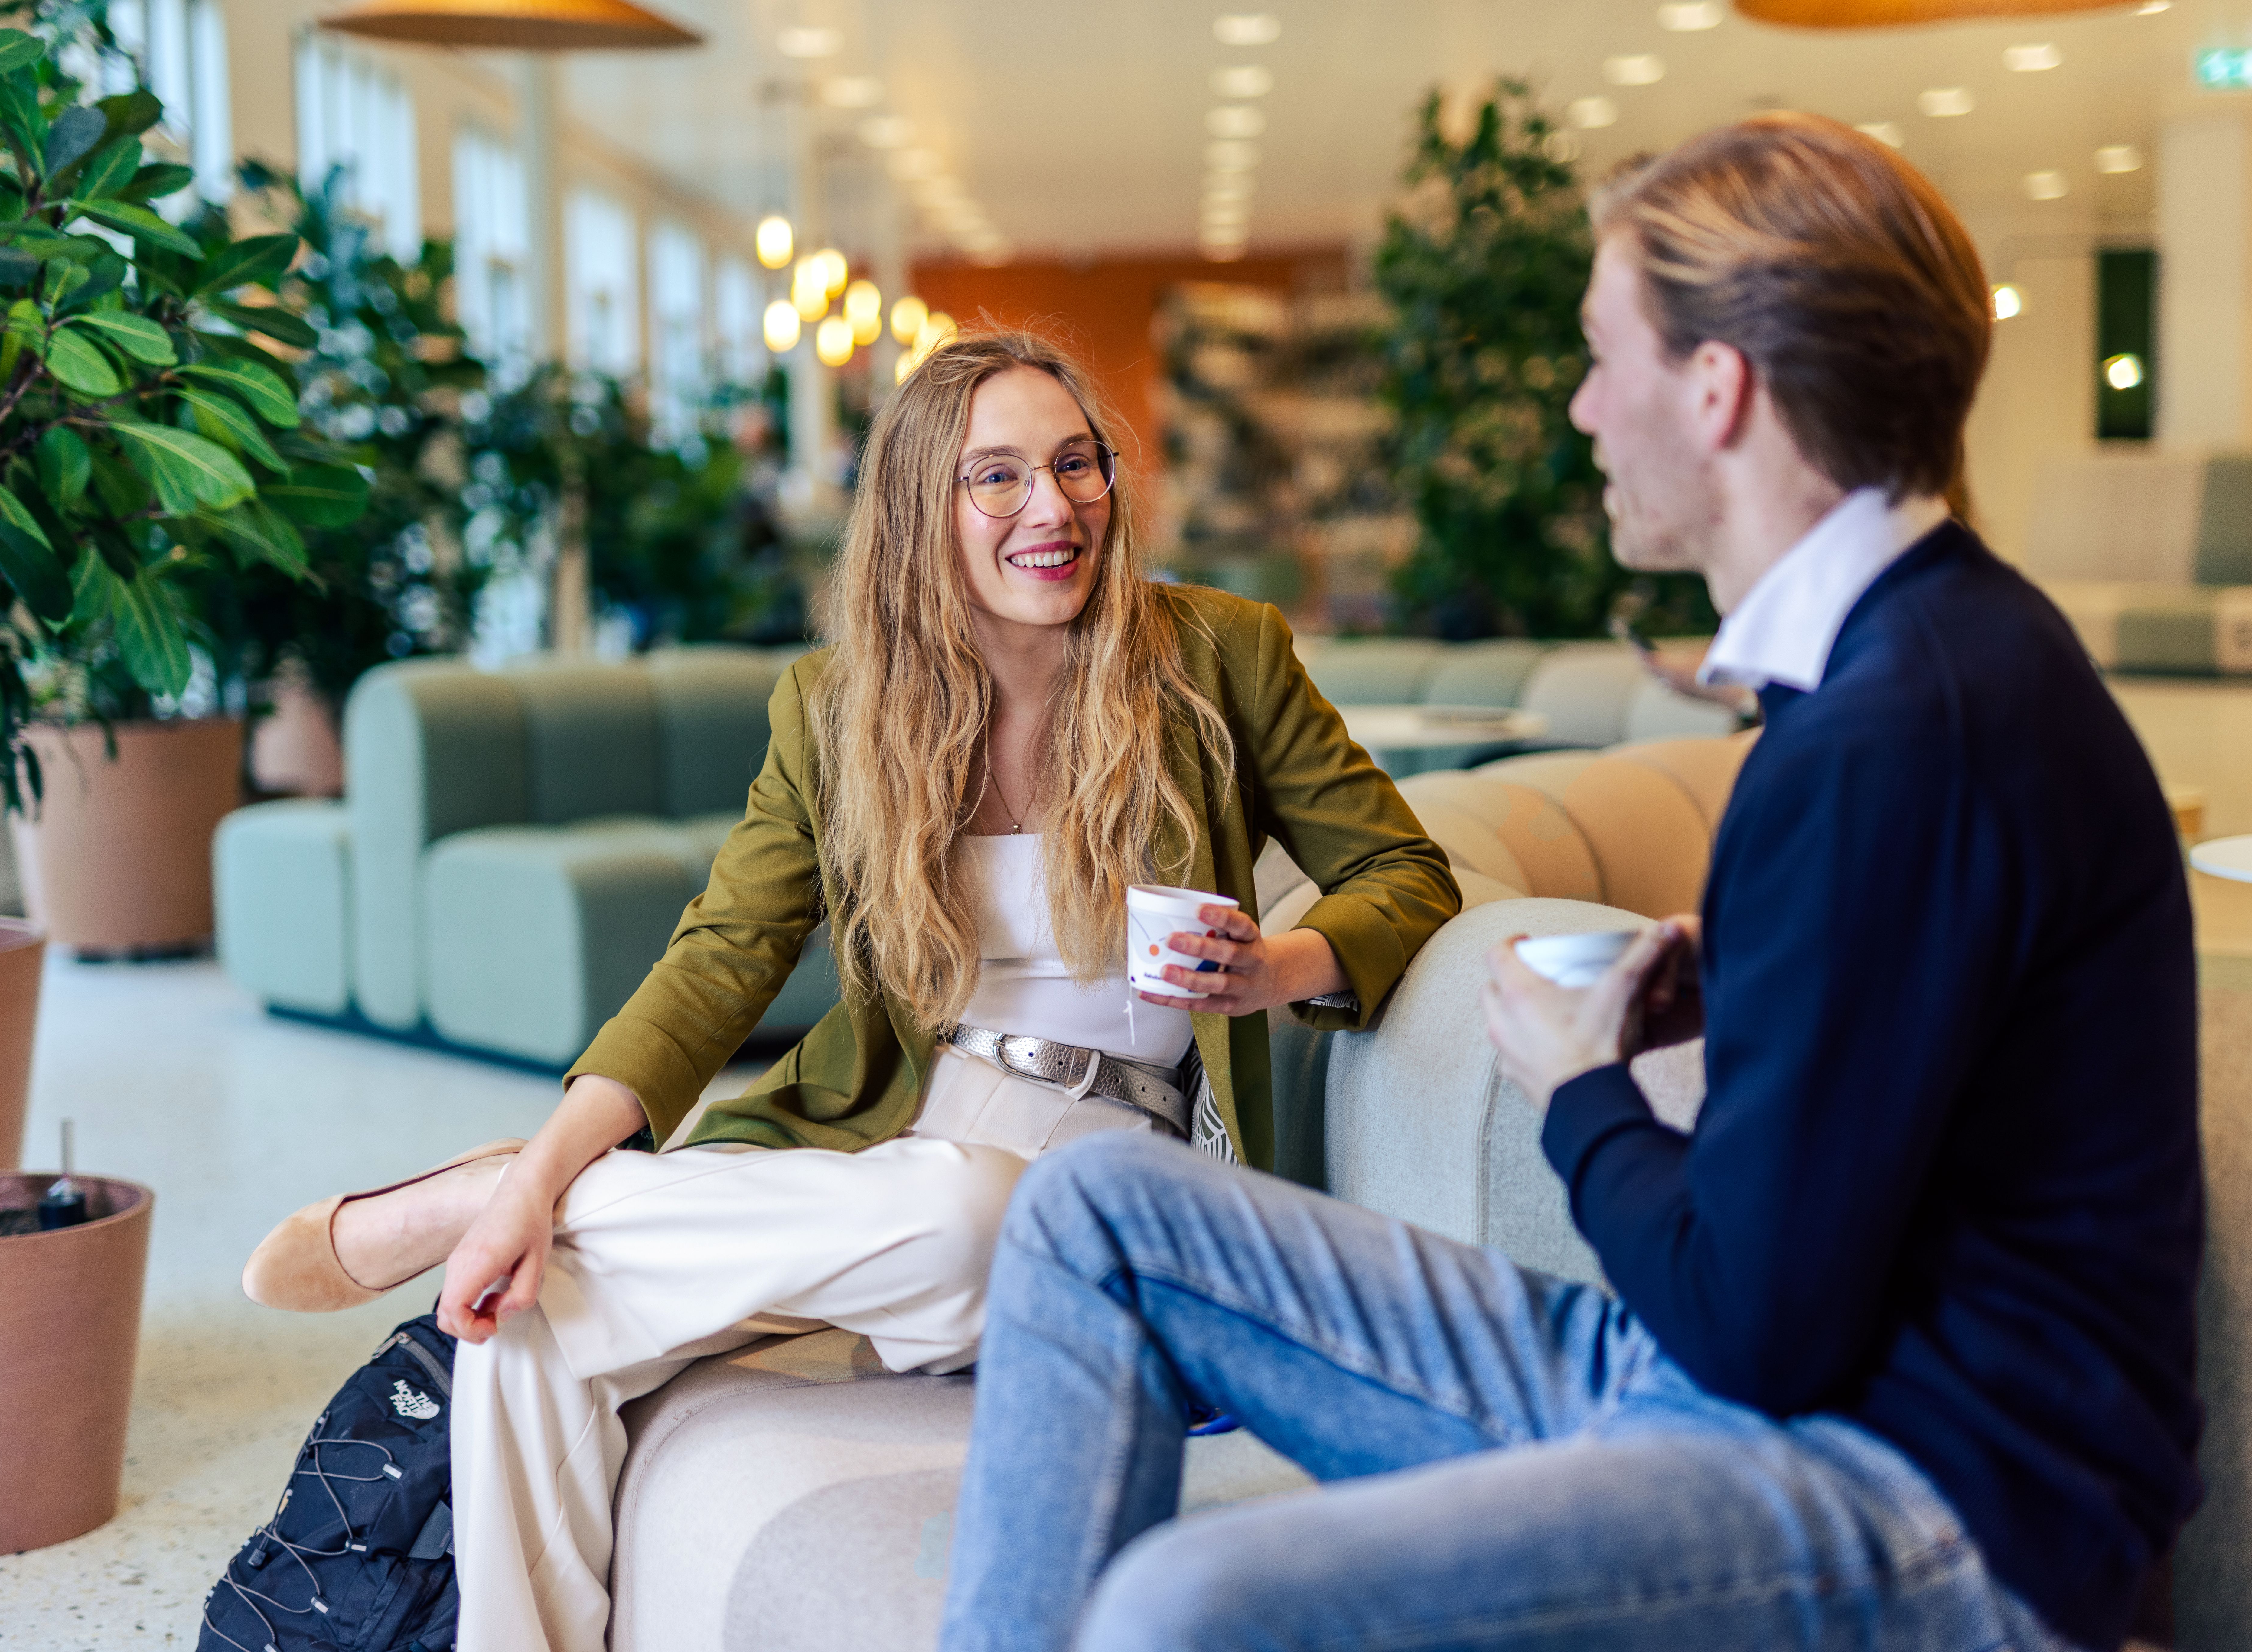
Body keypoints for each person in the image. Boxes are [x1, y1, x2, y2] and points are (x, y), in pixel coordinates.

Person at [937, 114, 2202, 1652]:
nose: (1584, 407)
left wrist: (1579, 1079)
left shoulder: (1901, 728)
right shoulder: (1908, 664)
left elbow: (1754, 1327)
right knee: (1095, 1205)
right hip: (1752, 1397)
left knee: (1188, 1606)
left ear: (1716, 390)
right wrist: (1749, 973)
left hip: (1930, 1502)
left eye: (1604, 356)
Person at [237, 329, 1460, 1652]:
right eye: (996, 478)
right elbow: (721, 957)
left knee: (958, 1211)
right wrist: (545, 1181)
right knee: (536, 1319)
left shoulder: (1218, 655)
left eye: (1074, 464)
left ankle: (545, 1192)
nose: (1051, 509)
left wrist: (1274, 967)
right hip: (888, 1141)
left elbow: (1402, 872)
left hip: (1110, 1180)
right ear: (918, 509)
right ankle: (534, 1202)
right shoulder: (835, 707)